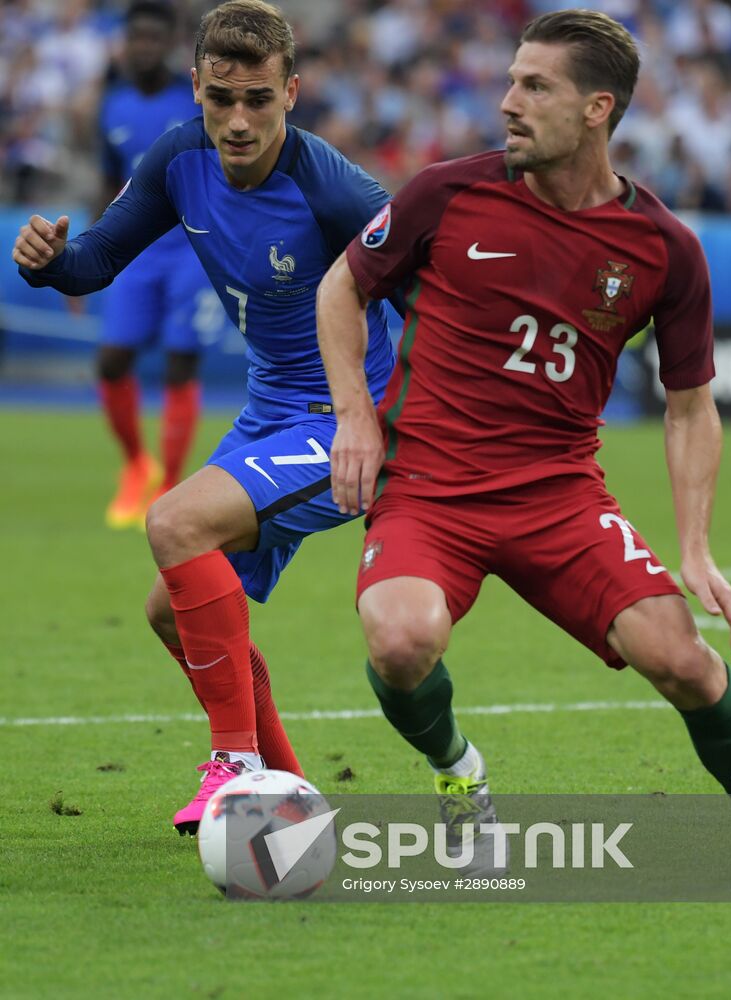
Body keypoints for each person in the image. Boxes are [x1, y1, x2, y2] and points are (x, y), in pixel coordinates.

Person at [316, 9, 731, 888]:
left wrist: (696, 548)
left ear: (597, 108)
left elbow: (690, 407)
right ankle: (460, 775)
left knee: (685, 661)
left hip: (559, 496)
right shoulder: (446, 193)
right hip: (429, 486)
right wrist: (354, 414)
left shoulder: (665, 249)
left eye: (535, 86)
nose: (508, 103)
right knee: (400, 638)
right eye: (510, 81)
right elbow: (342, 286)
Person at [13, 0, 395, 835]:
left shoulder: (333, 188)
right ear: (197, 88)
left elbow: (433, 293)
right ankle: (297, 801)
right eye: (221, 98)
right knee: (166, 610)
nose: (238, 119)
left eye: (258, 99)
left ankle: (236, 765)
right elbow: (97, 261)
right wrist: (50, 266)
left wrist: (392, 421)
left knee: (174, 523)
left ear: (292, 92)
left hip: (349, 422)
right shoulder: (177, 157)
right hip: (270, 414)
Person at [96, 0, 221, 529]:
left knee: (178, 362)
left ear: (170, 43)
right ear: (124, 43)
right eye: (135, 38)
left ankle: (169, 483)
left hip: (191, 251)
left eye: (153, 38)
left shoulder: (194, 101)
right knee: (111, 362)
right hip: (134, 252)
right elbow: (108, 183)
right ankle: (136, 465)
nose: (143, 47)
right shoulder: (112, 104)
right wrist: (86, 255)